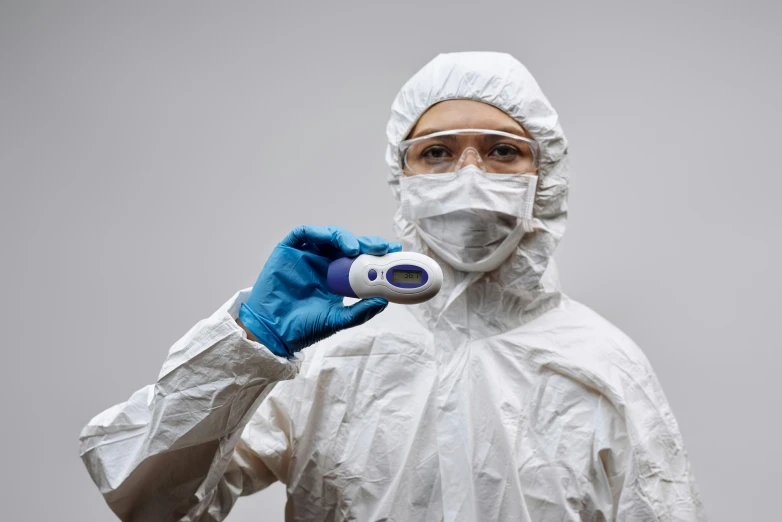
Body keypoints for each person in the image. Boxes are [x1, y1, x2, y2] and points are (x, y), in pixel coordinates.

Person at [79, 52, 705, 521]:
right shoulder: (328, 354)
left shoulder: (602, 365)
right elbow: (147, 502)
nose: (468, 175)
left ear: (546, 176)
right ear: (401, 176)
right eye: (436, 153)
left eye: (501, 151)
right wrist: (248, 345)